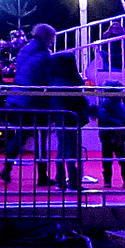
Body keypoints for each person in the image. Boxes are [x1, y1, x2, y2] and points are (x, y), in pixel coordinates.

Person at [0, 23, 61, 186]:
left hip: (18, 98)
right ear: (47, 37)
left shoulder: (25, 50)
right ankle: (42, 175)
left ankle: (7, 166)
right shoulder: (45, 55)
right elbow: (48, 78)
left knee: (21, 135)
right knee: (41, 137)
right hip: (36, 100)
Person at [47, 49, 90, 190]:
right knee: (71, 151)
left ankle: (60, 179)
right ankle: (72, 181)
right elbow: (75, 101)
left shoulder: (55, 80)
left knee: (62, 149)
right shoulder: (70, 81)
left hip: (61, 117)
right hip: (71, 118)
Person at [89, 80, 125, 188]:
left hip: (111, 134)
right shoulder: (114, 104)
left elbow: (103, 116)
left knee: (109, 158)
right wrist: (121, 126)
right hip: (112, 134)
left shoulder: (112, 103)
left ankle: (109, 181)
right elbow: (107, 117)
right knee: (119, 158)